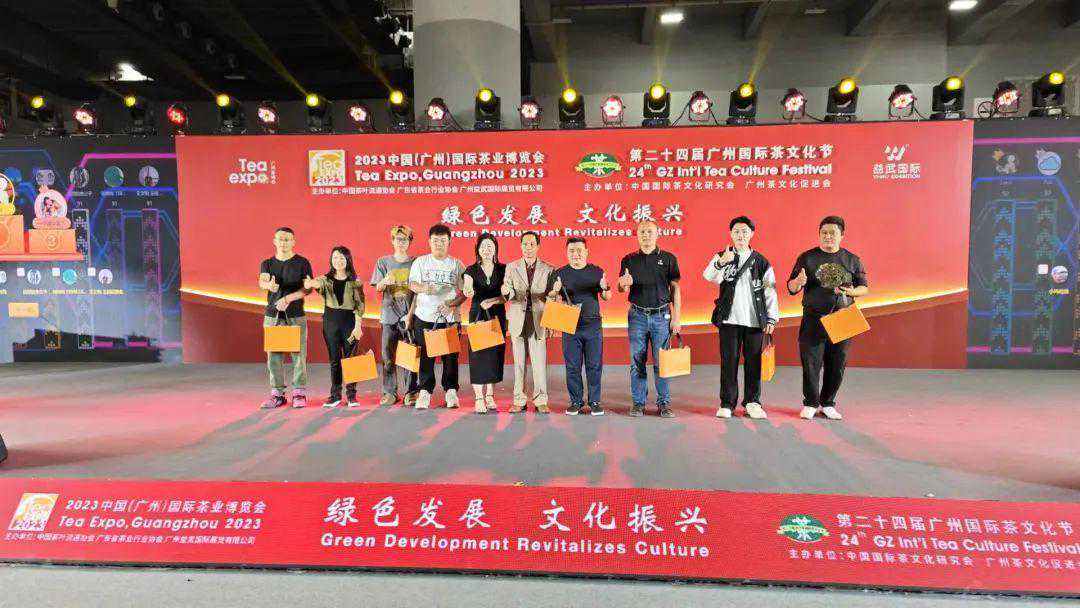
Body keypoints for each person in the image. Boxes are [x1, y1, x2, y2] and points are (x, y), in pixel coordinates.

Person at [787, 216, 869, 421]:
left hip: (843, 317)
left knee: (837, 363)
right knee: (811, 362)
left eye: (833, 233)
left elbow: (864, 288)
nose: (828, 236)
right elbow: (791, 287)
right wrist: (798, 282)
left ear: (842, 235)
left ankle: (828, 403)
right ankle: (810, 403)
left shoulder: (852, 260)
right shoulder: (807, 258)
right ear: (819, 234)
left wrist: (851, 292)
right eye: (824, 233)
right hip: (814, 318)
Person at [703, 216, 779, 419]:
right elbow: (708, 276)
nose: (740, 235)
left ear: (752, 234)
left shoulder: (761, 261)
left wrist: (771, 318)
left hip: (754, 321)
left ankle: (752, 402)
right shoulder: (723, 255)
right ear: (731, 234)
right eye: (736, 231)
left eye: (744, 231)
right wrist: (722, 262)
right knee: (728, 362)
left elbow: (770, 290)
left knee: (754, 362)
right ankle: (727, 403)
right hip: (729, 320)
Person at [617, 220, 681, 418]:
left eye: (649, 232)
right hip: (637, 316)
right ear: (637, 235)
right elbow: (621, 287)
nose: (646, 235)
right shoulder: (628, 260)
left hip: (662, 317)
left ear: (657, 234)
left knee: (663, 363)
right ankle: (638, 403)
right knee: (637, 361)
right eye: (642, 232)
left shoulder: (669, 258)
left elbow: (675, 289)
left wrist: (676, 317)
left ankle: (664, 403)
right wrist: (623, 284)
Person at [547, 237, 612, 416]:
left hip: (593, 325)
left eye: (579, 250)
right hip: (570, 326)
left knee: (594, 365)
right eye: (571, 251)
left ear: (586, 252)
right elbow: (551, 298)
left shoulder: (596, 271)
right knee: (572, 366)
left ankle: (595, 401)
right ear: (566, 253)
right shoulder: (559, 274)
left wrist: (605, 288)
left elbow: (607, 297)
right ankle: (576, 401)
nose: (575, 254)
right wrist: (555, 290)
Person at [408, 224, 466, 409]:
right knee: (426, 357)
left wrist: (452, 305)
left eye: (443, 240)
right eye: (435, 240)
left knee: (451, 357)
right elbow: (412, 285)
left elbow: (465, 292)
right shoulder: (421, 262)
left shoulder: (457, 265)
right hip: (424, 317)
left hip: (449, 319)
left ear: (449, 242)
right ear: (429, 242)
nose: (439, 244)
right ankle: (425, 391)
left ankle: (451, 391)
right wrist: (424, 288)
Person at [258, 227, 313, 409]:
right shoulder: (267, 263)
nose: (283, 242)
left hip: (295, 315)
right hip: (273, 316)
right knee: (274, 356)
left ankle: (299, 393)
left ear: (293, 242)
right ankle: (277, 394)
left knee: (299, 355)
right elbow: (262, 280)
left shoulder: (302, 262)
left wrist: (288, 298)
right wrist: (269, 286)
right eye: (280, 239)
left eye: (287, 239)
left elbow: (307, 288)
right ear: (274, 241)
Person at [304, 246, 365, 408]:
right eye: (335, 257)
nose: (338, 261)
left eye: (342, 258)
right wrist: (310, 283)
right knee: (334, 360)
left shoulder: (355, 281)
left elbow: (360, 305)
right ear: (331, 260)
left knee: (351, 360)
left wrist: (358, 327)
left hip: (349, 323)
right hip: (330, 323)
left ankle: (352, 395)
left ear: (348, 260)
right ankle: (335, 395)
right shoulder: (325, 279)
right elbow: (316, 283)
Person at [501, 232, 554, 413]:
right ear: (521, 245)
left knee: (539, 363)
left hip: (539, 318)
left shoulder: (548, 268)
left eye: (532, 244)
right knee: (519, 363)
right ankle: (519, 399)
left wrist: (551, 321)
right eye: (525, 244)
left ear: (538, 246)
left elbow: (552, 298)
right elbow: (508, 292)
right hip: (518, 318)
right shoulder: (511, 267)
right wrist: (506, 291)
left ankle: (541, 400)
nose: (528, 248)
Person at [370, 225, 419, 407]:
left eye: (405, 239)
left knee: (409, 356)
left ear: (409, 242)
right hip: (389, 316)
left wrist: (411, 315)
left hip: (409, 317)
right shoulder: (383, 262)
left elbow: (418, 292)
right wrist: (385, 281)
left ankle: (411, 392)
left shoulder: (416, 262)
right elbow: (378, 287)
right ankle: (390, 392)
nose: (401, 242)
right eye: (398, 239)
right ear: (392, 241)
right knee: (387, 357)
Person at [462, 233, 507, 414]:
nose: (486, 250)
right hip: (478, 315)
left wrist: (494, 300)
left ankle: (489, 395)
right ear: (477, 250)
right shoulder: (471, 270)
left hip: (496, 315)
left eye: (490, 246)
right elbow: (467, 285)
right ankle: (479, 397)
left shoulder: (504, 269)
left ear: (495, 249)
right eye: (483, 246)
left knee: (494, 356)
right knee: (478, 356)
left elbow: (507, 296)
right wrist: (467, 290)